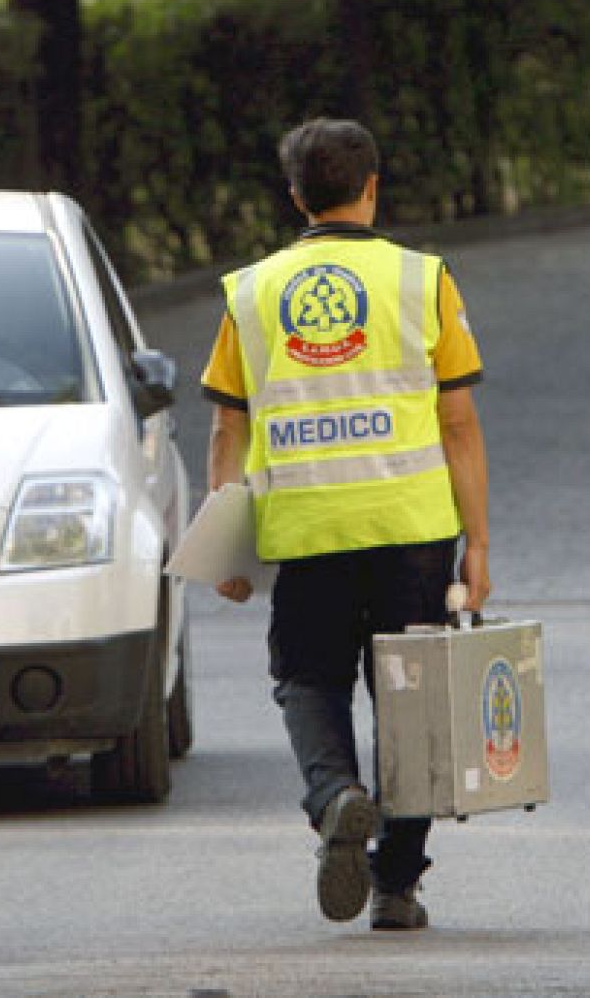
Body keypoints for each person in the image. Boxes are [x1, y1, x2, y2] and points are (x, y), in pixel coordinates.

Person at [203, 117, 491, 931]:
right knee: (412, 706)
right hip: (413, 530)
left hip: (307, 531)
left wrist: (227, 543)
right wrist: (480, 546)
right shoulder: (423, 279)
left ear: (295, 195)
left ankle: (336, 795)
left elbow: (228, 429)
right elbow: (459, 423)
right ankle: (397, 885)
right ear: (373, 188)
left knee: (309, 678)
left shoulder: (251, 292)